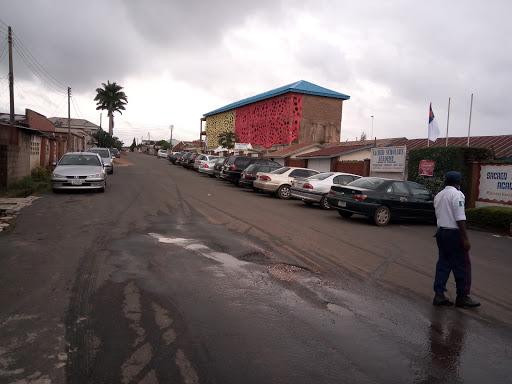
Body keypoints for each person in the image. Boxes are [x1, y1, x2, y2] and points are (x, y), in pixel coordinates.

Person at [432, 171, 480, 308]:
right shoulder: (457, 194)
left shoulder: (439, 195)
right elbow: (460, 217)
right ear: (459, 182)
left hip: (441, 232)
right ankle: (463, 297)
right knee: (462, 265)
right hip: (454, 233)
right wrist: (465, 237)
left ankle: (439, 295)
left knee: (443, 264)